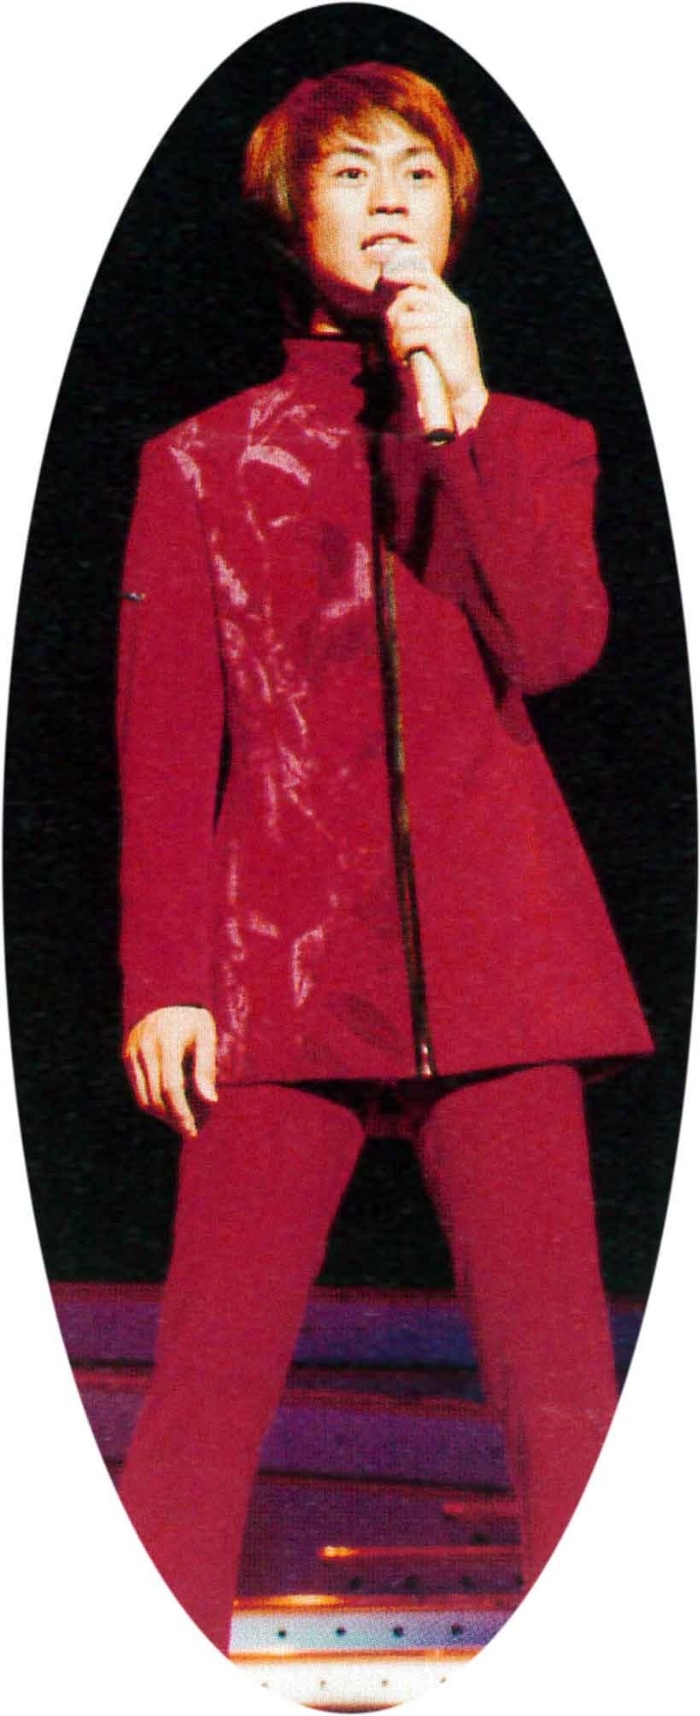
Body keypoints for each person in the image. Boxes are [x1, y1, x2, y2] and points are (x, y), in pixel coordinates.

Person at [116, 62, 653, 1656]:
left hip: (508, 967)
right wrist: (164, 979)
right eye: (349, 173)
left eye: (416, 170)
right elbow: (164, 744)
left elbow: (553, 648)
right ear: (292, 217)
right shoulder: (201, 461)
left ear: (457, 211)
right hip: (277, 972)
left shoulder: (537, 439)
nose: (389, 199)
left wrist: (458, 420)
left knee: (561, 1398)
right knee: (204, 1392)